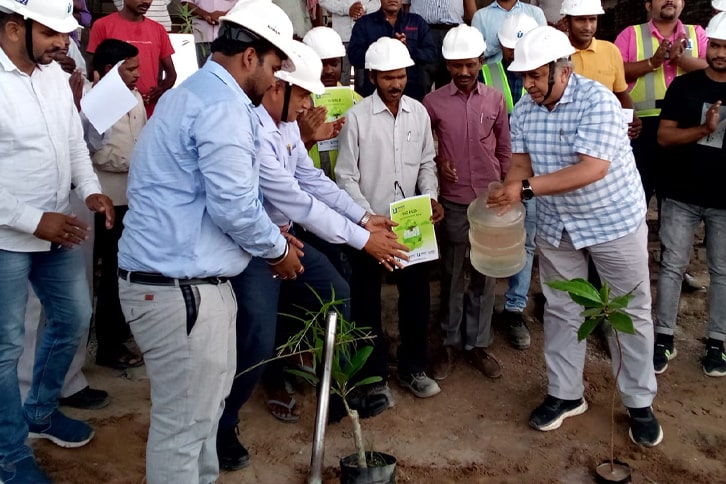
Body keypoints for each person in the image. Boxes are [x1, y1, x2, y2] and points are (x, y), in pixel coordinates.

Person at [116, 2, 302, 482]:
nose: (275, 79)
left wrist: (267, 236)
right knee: (184, 430)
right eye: (274, 66)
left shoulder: (193, 94)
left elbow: (224, 200)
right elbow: (234, 207)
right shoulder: (222, 107)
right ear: (250, 57)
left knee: (200, 421)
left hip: (183, 286)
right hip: (180, 290)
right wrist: (278, 250)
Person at [217, 40, 409, 468]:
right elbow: (298, 201)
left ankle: (333, 389)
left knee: (336, 294)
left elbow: (313, 181)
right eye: (303, 94)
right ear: (276, 88)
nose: (308, 105)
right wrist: (363, 239)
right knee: (256, 337)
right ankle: (224, 423)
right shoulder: (254, 131)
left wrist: (363, 217)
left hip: (287, 239)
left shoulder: (286, 125)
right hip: (255, 247)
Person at [487, 26, 662, 447]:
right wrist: (508, 190)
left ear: (562, 70)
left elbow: (592, 169)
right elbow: (521, 163)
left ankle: (639, 401)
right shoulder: (525, 109)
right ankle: (566, 394)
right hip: (557, 223)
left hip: (612, 220)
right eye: (523, 75)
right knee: (562, 309)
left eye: (535, 75)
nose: (527, 84)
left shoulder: (597, 100)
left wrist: (525, 189)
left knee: (629, 310)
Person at [0, 0, 116, 482]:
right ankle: (9, 454)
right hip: (8, 238)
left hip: (59, 228)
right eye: (51, 32)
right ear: (14, 28)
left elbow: (72, 143)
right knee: (5, 348)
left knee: (74, 317)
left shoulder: (51, 77)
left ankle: (40, 411)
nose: (63, 43)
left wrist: (89, 190)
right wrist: (33, 220)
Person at [336, 37, 443, 402]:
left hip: (412, 224)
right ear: (372, 77)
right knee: (366, 301)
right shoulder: (356, 118)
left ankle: (413, 368)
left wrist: (430, 196)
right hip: (370, 227)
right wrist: (367, 217)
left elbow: (427, 162)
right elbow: (346, 176)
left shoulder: (419, 113)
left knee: (416, 297)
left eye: (401, 76)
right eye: (388, 77)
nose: (396, 84)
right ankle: (374, 375)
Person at [423, 25, 510, 381]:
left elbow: (504, 147)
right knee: (452, 272)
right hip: (455, 200)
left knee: (485, 274)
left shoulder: (495, 99)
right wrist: (439, 160)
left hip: (489, 200)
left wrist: (507, 189)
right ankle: (448, 342)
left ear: (480, 63)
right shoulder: (433, 103)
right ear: (447, 65)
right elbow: (423, 149)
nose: (463, 72)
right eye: (457, 65)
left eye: (470, 64)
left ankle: (477, 343)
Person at [652, 12, 726, 378]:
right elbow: (664, 136)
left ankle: (717, 343)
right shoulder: (684, 87)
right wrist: (703, 129)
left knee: (722, 271)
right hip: (681, 194)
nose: (720, 53)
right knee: (672, 266)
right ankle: (664, 338)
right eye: (716, 45)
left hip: (724, 201)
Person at [84, 39, 146, 371]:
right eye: (131, 68)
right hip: (104, 198)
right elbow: (94, 153)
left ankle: (119, 332)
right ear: (110, 69)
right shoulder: (94, 100)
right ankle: (106, 345)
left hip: (131, 196)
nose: (138, 74)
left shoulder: (135, 97)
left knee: (123, 268)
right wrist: (134, 162)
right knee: (107, 272)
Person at [614, 0, 707, 206]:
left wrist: (680, 60)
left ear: (683, 4)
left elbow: (713, 68)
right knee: (638, 191)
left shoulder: (697, 33)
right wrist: (652, 63)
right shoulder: (630, 34)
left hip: (686, 126)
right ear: (648, 5)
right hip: (642, 126)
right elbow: (616, 71)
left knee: (678, 196)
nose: (669, 0)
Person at [483, 14, 539, 350]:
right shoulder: (487, 73)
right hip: (497, 173)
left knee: (527, 242)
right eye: (511, 48)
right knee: (491, 241)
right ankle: (483, 310)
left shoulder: (547, 79)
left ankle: (515, 307)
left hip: (535, 173)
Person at [563, 0, 641, 139]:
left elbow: (621, 93)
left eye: (592, 19)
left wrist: (631, 119)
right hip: (567, 133)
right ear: (566, 21)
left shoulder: (610, 50)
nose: (588, 27)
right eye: (580, 20)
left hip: (605, 134)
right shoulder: (557, 53)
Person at [89, 0, 177, 118]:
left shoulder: (158, 29)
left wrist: (160, 90)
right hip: (114, 112)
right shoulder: (102, 26)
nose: (146, 1)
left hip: (149, 113)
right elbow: (94, 71)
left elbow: (171, 74)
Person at [348, 0, 437, 101]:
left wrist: (407, 49)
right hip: (374, 93)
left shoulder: (417, 21)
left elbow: (431, 54)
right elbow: (354, 56)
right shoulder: (364, 23)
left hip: (412, 92)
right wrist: (381, 50)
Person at [406, 0, 478, 93]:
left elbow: (470, 4)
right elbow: (405, 6)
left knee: (451, 81)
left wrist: (475, 32)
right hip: (422, 32)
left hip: (453, 32)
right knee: (420, 81)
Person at [318, 0, 380, 86]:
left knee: (363, 80)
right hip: (342, 37)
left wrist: (364, 9)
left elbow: (378, 2)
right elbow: (323, 1)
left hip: (364, 36)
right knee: (341, 80)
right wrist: (347, 9)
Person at [471, 0, 546, 64]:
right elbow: (474, 55)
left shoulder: (535, 12)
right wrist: (500, 43)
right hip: (494, 73)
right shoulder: (480, 16)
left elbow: (545, 47)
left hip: (529, 70)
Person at [179, 0, 236, 67]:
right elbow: (186, 2)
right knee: (205, 71)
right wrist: (205, 15)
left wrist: (227, 15)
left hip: (232, 36)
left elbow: (245, 3)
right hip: (204, 36)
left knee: (231, 72)